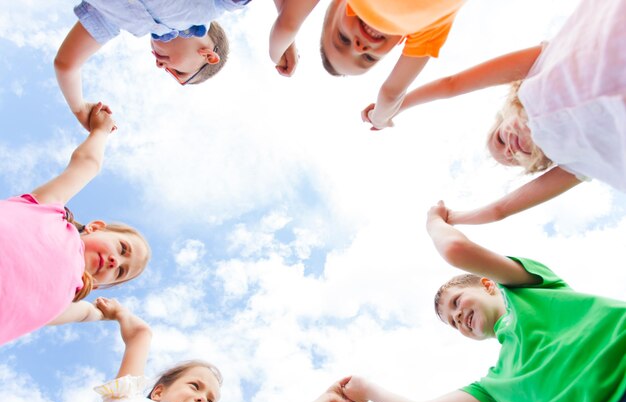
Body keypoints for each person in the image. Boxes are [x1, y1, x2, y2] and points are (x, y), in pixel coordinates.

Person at [340, 200, 626, 402]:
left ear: (489, 285)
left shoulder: (527, 288)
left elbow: (456, 250)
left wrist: (434, 222)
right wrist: (366, 388)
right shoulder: (497, 383)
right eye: (453, 322)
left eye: (456, 302)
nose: (458, 316)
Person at [376, 0, 626, 225]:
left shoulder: (536, 72)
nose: (510, 150)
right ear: (537, 165)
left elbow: (452, 84)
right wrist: (450, 219)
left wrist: (396, 106)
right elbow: (500, 210)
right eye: (512, 159)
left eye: (500, 139)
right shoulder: (574, 163)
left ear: (503, 115)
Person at [0, 104, 150, 346]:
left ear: (101, 285)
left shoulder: (69, 296)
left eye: (120, 271)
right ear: (95, 227)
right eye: (122, 249)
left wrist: (117, 315)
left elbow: (90, 313)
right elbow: (86, 165)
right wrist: (101, 131)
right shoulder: (49, 211)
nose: (116, 262)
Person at [94, 297, 356, 402]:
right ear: (159, 392)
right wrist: (119, 313)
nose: (202, 400)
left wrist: (327, 401)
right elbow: (141, 335)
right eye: (195, 386)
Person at [55, 0, 250, 131]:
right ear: (208, 56)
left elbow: (66, 65)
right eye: (177, 72)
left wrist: (79, 109)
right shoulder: (209, 6)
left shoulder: (121, 20)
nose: (159, 65)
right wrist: (281, 29)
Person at [269, 0, 466, 129]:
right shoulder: (427, 27)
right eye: (368, 58)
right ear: (401, 42)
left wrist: (279, 53)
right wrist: (279, 51)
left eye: (342, 39)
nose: (359, 47)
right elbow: (391, 93)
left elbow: (288, 24)